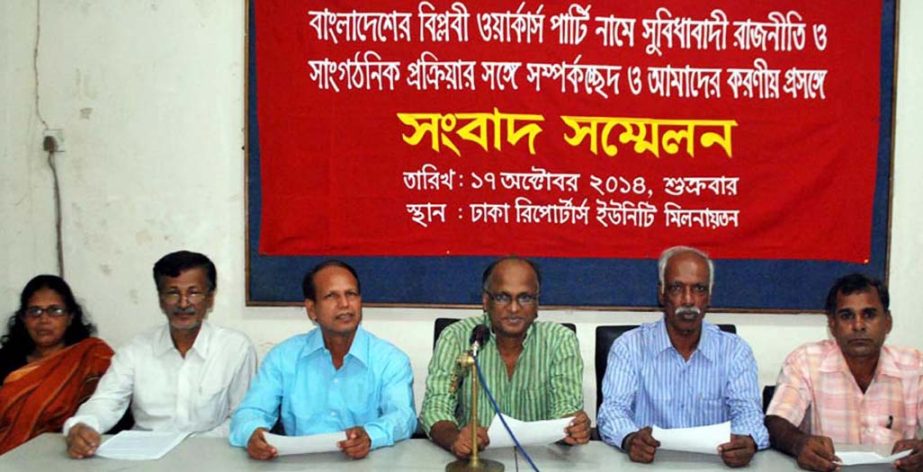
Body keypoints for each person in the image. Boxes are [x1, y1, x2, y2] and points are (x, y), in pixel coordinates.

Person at [64, 251, 257, 458]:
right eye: (172, 293)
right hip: (144, 459)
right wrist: (81, 425)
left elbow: (243, 416)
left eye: (194, 292)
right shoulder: (136, 350)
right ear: (160, 299)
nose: (183, 303)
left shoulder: (235, 348)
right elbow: (107, 401)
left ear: (210, 298)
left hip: (211, 456)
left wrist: (186, 447)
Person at [597, 246, 768, 467]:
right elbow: (612, 411)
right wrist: (630, 438)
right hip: (647, 466)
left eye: (698, 289)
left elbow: (749, 413)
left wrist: (747, 441)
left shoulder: (735, 351)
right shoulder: (629, 347)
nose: (688, 300)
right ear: (662, 293)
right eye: (677, 288)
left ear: (709, 295)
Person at [230, 260, 415, 460]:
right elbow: (250, 411)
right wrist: (252, 433)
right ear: (312, 309)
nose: (344, 304)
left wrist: (370, 435)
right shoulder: (284, 357)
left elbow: (403, 417)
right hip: (298, 465)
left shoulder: (390, 360)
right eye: (331, 296)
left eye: (351, 294)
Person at [420, 257, 590, 459]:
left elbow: (565, 409)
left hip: (540, 460)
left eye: (525, 298)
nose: (514, 308)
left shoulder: (560, 341)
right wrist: (455, 438)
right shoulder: (457, 337)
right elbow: (436, 407)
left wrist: (573, 427)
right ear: (485, 301)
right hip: (473, 460)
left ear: (537, 304)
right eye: (502, 297)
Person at [765, 273, 923, 471]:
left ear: (888, 322)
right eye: (847, 316)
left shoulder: (915, 365)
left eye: (869, 314)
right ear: (832, 324)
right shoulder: (806, 361)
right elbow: (775, 422)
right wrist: (799, 444)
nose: (858, 326)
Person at [0, 275, 113, 454]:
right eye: (34, 311)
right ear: (23, 318)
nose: (44, 319)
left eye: (55, 311)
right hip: (9, 458)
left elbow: (113, 407)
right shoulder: (6, 361)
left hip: (72, 457)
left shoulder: (93, 355)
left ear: (70, 317)